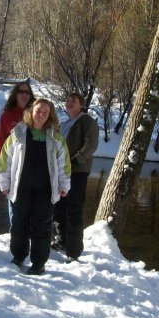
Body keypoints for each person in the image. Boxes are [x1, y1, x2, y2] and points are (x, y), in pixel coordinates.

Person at [0, 98, 71, 275]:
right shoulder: (18, 134)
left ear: (50, 115)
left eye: (46, 112)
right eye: (38, 111)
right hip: (21, 187)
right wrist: (4, 182)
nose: (41, 115)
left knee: (42, 226)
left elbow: (64, 165)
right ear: (31, 112)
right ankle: (18, 256)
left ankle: (38, 263)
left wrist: (64, 184)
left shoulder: (56, 138)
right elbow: (4, 160)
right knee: (19, 223)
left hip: (45, 189)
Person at [52, 93, 99, 262]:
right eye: (68, 100)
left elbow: (90, 145)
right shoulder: (63, 124)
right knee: (58, 208)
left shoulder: (88, 122)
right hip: (60, 172)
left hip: (77, 172)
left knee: (73, 210)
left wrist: (73, 161)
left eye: (74, 101)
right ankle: (61, 240)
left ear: (81, 105)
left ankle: (74, 250)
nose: (70, 102)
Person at [0, 81, 35, 158]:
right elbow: (0, 140)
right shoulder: (7, 115)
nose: (24, 95)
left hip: (30, 160)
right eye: (21, 92)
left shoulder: (35, 114)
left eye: (27, 92)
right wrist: (1, 161)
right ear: (15, 94)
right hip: (11, 159)